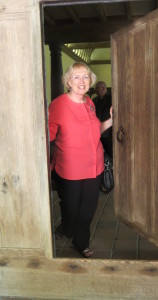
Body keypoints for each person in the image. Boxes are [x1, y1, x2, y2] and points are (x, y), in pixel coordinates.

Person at [48, 62, 112, 258]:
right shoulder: (58, 105)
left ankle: (80, 241)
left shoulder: (90, 103)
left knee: (88, 209)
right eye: (76, 77)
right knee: (71, 208)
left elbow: (95, 132)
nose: (81, 81)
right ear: (68, 81)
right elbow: (46, 136)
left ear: (90, 80)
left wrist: (112, 120)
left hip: (94, 167)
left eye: (85, 76)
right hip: (70, 169)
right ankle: (66, 227)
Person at [93, 81, 113, 159]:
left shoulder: (111, 98)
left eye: (97, 89)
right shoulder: (95, 99)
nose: (96, 91)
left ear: (103, 88)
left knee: (109, 152)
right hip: (98, 130)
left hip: (109, 131)